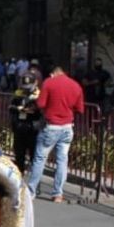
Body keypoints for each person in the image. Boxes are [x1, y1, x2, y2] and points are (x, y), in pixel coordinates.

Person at [27, 65, 85, 203]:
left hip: (51, 126)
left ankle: (31, 191)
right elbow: (80, 109)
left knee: (40, 158)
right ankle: (58, 193)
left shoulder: (49, 82)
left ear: (53, 74)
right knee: (62, 160)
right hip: (67, 127)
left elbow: (41, 104)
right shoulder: (75, 85)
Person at [10, 73, 43, 174]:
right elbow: (11, 107)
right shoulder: (18, 93)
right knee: (19, 153)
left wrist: (32, 110)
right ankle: (20, 173)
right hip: (19, 126)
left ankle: (34, 179)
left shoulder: (38, 94)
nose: (26, 89)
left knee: (34, 154)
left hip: (32, 127)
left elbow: (41, 110)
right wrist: (17, 109)